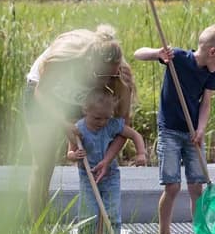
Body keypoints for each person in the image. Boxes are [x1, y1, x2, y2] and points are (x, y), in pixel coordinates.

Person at [133, 25, 215, 234]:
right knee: (172, 186)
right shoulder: (178, 58)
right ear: (212, 52)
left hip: (192, 135)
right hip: (170, 131)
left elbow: (206, 103)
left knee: (196, 188)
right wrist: (158, 53)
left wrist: (201, 129)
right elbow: (138, 53)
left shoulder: (211, 73)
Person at [25, 24, 135, 221]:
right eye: (102, 75)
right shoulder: (65, 58)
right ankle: (38, 232)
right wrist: (63, 123)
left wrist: (107, 159)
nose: (107, 81)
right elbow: (41, 92)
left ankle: (97, 230)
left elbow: (123, 126)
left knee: (94, 161)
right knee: (43, 164)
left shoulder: (118, 74)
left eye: (111, 76)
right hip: (46, 94)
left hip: (81, 99)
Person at [66, 89, 147, 234]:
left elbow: (134, 135)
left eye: (106, 118)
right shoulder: (79, 129)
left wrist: (141, 153)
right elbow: (69, 153)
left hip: (110, 177)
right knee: (88, 215)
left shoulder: (111, 125)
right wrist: (75, 155)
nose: (102, 122)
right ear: (86, 110)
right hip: (88, 178)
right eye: (97, 118)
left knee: (112, 214)